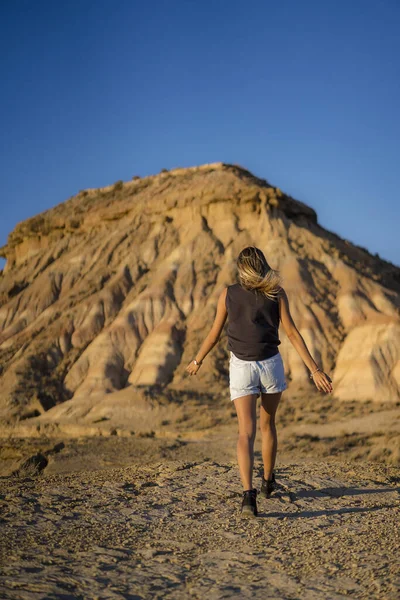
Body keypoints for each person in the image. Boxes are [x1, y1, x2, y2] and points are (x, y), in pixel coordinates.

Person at [185, 246, 333, 518]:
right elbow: (292, 333)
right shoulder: (276, 293)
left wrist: (197, 360)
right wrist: (315, 370)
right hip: (270, 366)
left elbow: (214, 333)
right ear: (263, 264)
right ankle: (267, 482)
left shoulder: (228, 294)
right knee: (268, 425)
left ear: (241, 268)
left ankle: (248, 497)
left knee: (245, 432)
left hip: (242, 366)